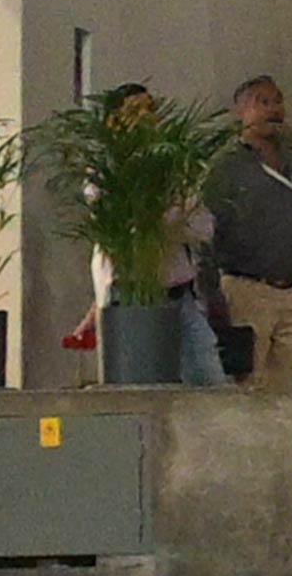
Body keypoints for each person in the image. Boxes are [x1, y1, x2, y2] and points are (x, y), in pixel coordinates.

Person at [65, 85, 228, 388]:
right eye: (135, 110)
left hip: (180, 296)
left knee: (210, 382)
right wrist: (175, 215)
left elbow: (204, 228)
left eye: (151, 109)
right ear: (114, 121)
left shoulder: (176, 167)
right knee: (141, 387)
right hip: (130, 302)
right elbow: (126, 232)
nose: (147, 117)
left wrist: (173, 217)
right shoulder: (105, 174)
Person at [205, 76, 292, 390]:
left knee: (288, 388)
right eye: (263, 102)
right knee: (249, 386)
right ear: (240, 112)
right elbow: (209, 227)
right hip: (247, 289)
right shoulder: (226, 167)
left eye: (278, 101)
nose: (273, 110)